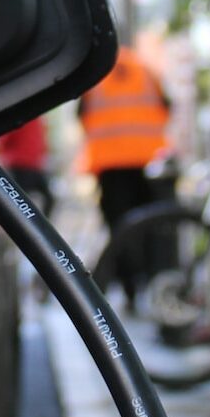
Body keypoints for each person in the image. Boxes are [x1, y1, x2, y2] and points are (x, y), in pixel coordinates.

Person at [78, 46, 171, 309]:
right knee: (150, 227)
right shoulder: (145, 69)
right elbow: (167, 107)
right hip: (147, 161)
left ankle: (130, 288)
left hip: (110, 164)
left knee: (119, 228)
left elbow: (83, 116)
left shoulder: (96, 71)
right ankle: (152, 285)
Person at [0, 116, 53, 216]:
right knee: (21, 202)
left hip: (34, 165)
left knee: (47, 199)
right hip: (19, 166)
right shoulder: (17, 118)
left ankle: (38, 226)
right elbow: (3, 141)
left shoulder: (35, 118)